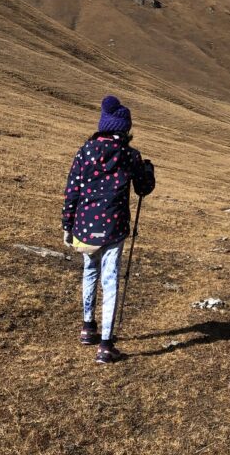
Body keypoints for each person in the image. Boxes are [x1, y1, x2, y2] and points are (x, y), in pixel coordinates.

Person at [61, 95, 155, 364]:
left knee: (90, 271)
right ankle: (105, 344)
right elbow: (144, 189)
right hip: (114, 226)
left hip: (84, 226)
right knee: (110, 278)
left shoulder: (85, 151)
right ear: (125, 129)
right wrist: (148, 170)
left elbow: (72, 190)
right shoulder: (129, 155)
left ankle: (87, 327)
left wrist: (67, 224)